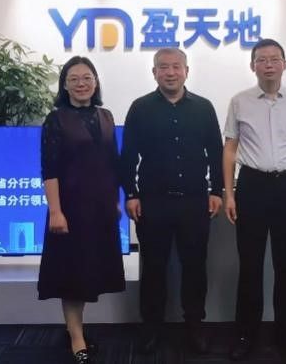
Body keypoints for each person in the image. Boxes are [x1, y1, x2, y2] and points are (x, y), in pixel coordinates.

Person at [121, 48, 224, 355]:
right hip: (153, 203)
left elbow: (216, 152)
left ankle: (195, 325)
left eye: (176, 67)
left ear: (186, 71)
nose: (170, 72)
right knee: (154, 269)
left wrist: (217, 190)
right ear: (154, 73)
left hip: (195, 202)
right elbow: (128, 155)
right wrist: (131, 193)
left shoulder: (203, 108)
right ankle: (152, 327)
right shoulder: (140, 108)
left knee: (195, 268)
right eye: (163, 67)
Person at [223, 38, 286, 362]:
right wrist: (229, 193)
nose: (268, 65)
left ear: (284, 64)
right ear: (253, 66)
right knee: (249, 265)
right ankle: (245, 334)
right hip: (251, 186)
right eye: (261, 60)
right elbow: (230, 149)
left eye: (274, 59)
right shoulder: (239, 101)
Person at [37, 56, 126, 364]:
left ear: (96, 82)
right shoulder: (56, 119)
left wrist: (115, 201)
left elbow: (112, 163)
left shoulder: (106, 116)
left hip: (101, 209)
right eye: (74, 79)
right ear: (65, 85)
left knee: (91, 272)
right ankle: (76, 337)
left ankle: (77, 330)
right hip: (71, 209)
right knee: (72, 275)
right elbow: (49, 169)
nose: (81, 84)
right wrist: (55, 211)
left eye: (87, 77)